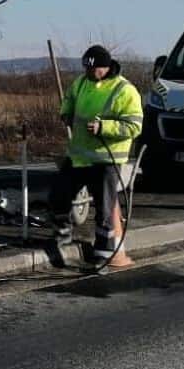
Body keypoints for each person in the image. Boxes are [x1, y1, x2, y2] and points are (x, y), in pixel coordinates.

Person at [50, 45, 143, 264]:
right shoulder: (82, 82)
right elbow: (70, 98)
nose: (90, 73)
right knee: (59, 195)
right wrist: (66, 112)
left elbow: (134, 126)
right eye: (87, 68)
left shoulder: (124, 90)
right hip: (79, 156)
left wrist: (105, 128)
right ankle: (62, 234)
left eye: (95, 69)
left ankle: (104, 252)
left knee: (104, 208)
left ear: (107, 67)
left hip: (106, 159)